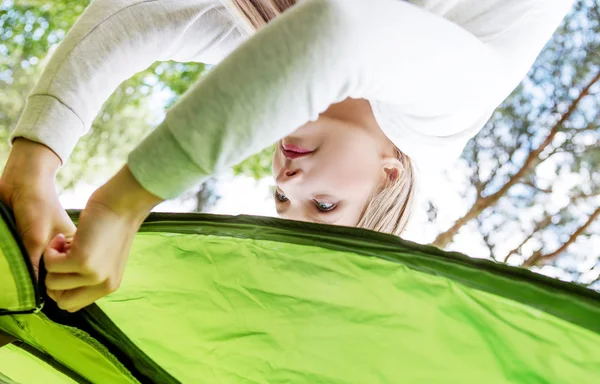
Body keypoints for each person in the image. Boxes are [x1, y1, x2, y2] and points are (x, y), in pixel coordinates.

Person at [0, 0, 573, 312]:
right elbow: (338, 32)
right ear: (388, 176)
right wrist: (122, 206)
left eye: (280, 197)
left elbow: (140, 15)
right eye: (324, 204)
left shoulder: (275, 31)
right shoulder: (445, 117)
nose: (290, 179)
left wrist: (32, 165)